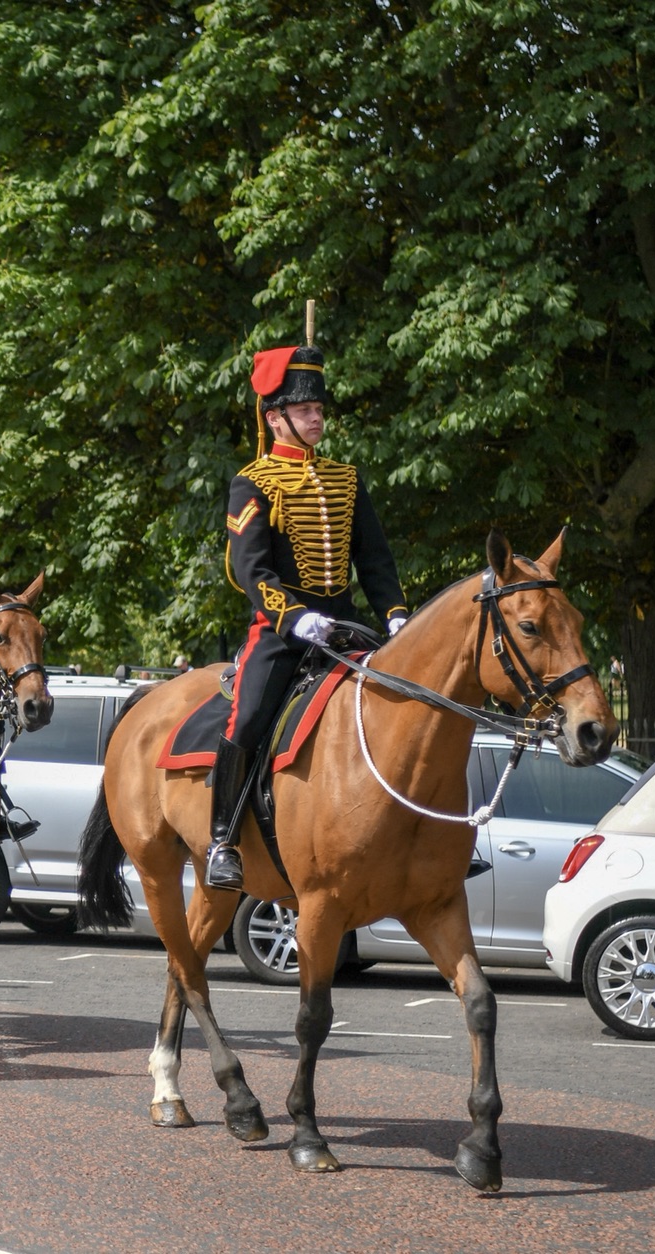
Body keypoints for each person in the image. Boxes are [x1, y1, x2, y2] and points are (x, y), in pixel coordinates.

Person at [210, 344, 409, 889]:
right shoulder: (254, 483)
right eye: (305, 411)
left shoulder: (345, 480)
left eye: (319, 410)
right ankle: (223, 839)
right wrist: (294, 618)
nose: (317, 417)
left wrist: (394, 616)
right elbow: (247, 570)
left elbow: (374, 560)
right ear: (275, 418)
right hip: (284, 633)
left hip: (345, 627)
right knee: (248, 719)